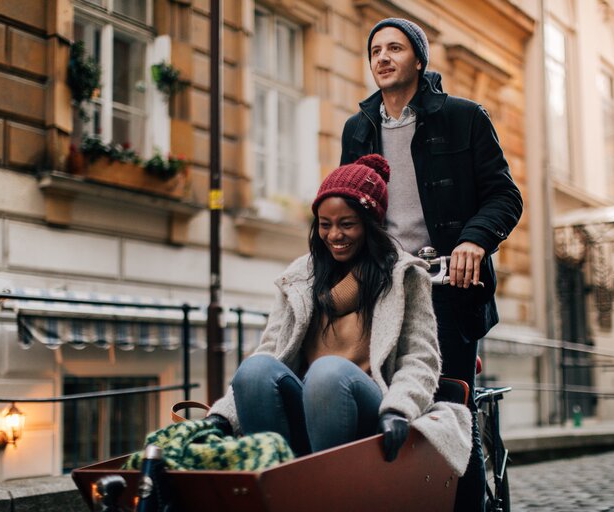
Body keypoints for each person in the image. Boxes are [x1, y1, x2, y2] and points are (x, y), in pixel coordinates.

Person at [340, 18, 523, 511]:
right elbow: (347, 208)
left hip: (449, 287)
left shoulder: (463, 117)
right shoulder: (358, 129)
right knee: (380, 405)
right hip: (383, 289)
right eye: (375, 50)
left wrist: (474, 241)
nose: (382, 57)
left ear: (418, 60)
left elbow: (505, 196)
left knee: (446, 409)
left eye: (394, 48)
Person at [207, 154, 472, 476]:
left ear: (370, 225)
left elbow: (421, 358)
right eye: (325, 224)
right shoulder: (299, 276)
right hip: (303, 408)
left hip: (367, 409)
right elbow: (271, 351)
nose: (334, 235)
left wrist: (399, 409)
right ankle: (277, 483)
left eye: (347, 224)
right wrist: (221, 416)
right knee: (254, 368)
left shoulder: (403, 276)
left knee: (329, 371)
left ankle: (325, 489)